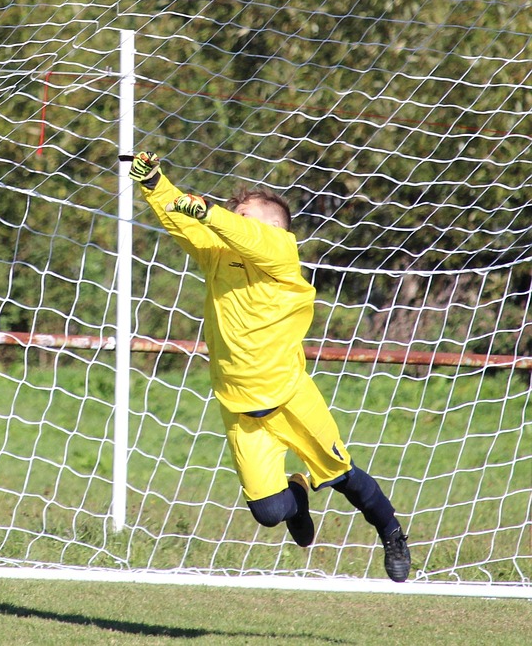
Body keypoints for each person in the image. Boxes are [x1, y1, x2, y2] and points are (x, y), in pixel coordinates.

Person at [128, 150, 411, 582]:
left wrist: (211, 211)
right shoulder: (218, 255)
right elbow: (184, 221)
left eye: (241, 214)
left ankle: (391, 531)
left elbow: (246, 235)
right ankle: (297, 490)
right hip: (239, 405)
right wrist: (154, 185)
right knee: (269, 512)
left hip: (288, 396)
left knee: (341, 476)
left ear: (269, 225)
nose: (229, 217)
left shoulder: (281, 253)